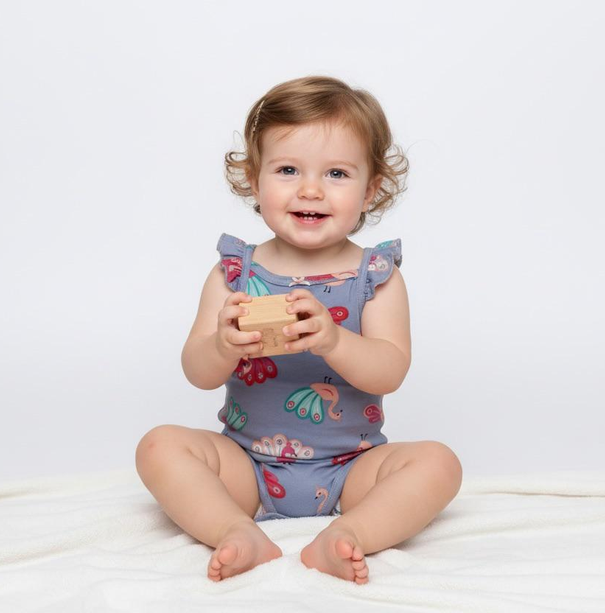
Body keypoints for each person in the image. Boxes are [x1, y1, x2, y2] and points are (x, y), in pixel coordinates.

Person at [136, 75, 463, 585]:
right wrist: (222, 344)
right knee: (158, 446)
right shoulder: (235, 273)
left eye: (336, 173)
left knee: (440, 463)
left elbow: (389, 371)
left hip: (352, 467)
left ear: (370, 189)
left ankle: (349, 532)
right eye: (288, 170)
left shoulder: (375, 276)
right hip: (246, 465)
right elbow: (197, 372)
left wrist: (334, 340)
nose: (310, 189)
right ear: (254, 180)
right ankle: (234, 529)